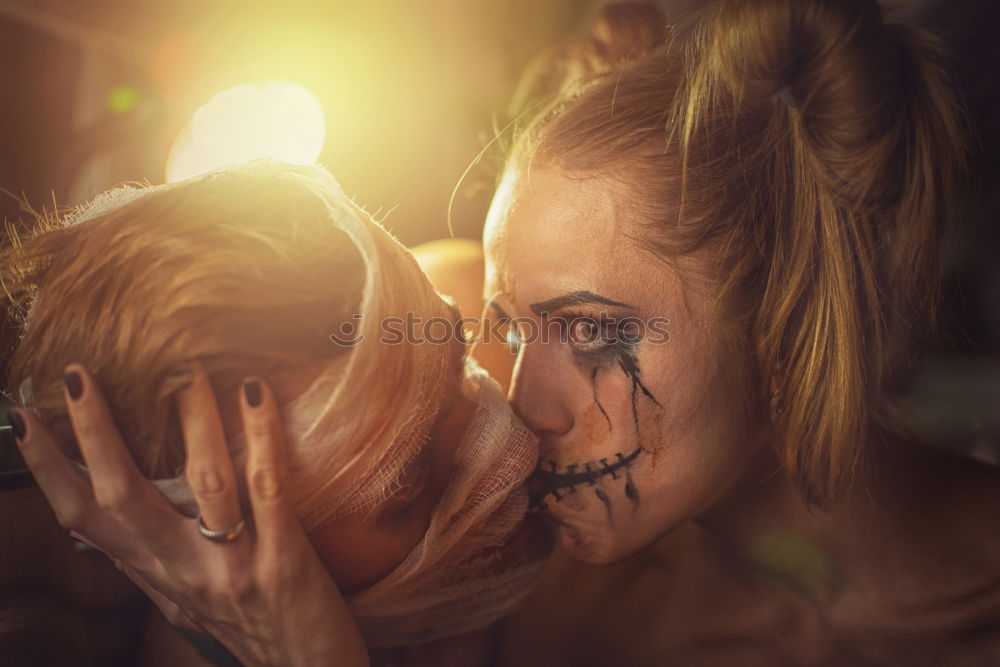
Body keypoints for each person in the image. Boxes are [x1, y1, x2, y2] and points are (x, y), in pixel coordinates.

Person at [10, 0, 1000, 664]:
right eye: (502, 323)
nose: (516, 412)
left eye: (587, 327)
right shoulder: (511, 578)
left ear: (785, 323)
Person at [2, 160, 548, 665]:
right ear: (209, 547)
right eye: (403, 483)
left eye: (456, 355)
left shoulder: (501, 306)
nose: (517, 449)